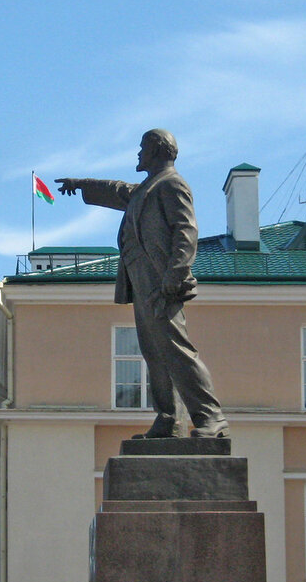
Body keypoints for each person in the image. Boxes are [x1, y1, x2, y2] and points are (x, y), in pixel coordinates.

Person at [55, 129, 229, 439]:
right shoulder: (146, 188)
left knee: (177, 350)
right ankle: (169, 419)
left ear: (157, 151)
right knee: (154, 352)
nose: (138, 154)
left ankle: (211, 418)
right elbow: (118, 189)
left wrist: (175, 277)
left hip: (162, 281)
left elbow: (186, 232)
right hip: (141, 280)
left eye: (142, 148)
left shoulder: (172, 184)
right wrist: (81, 184)